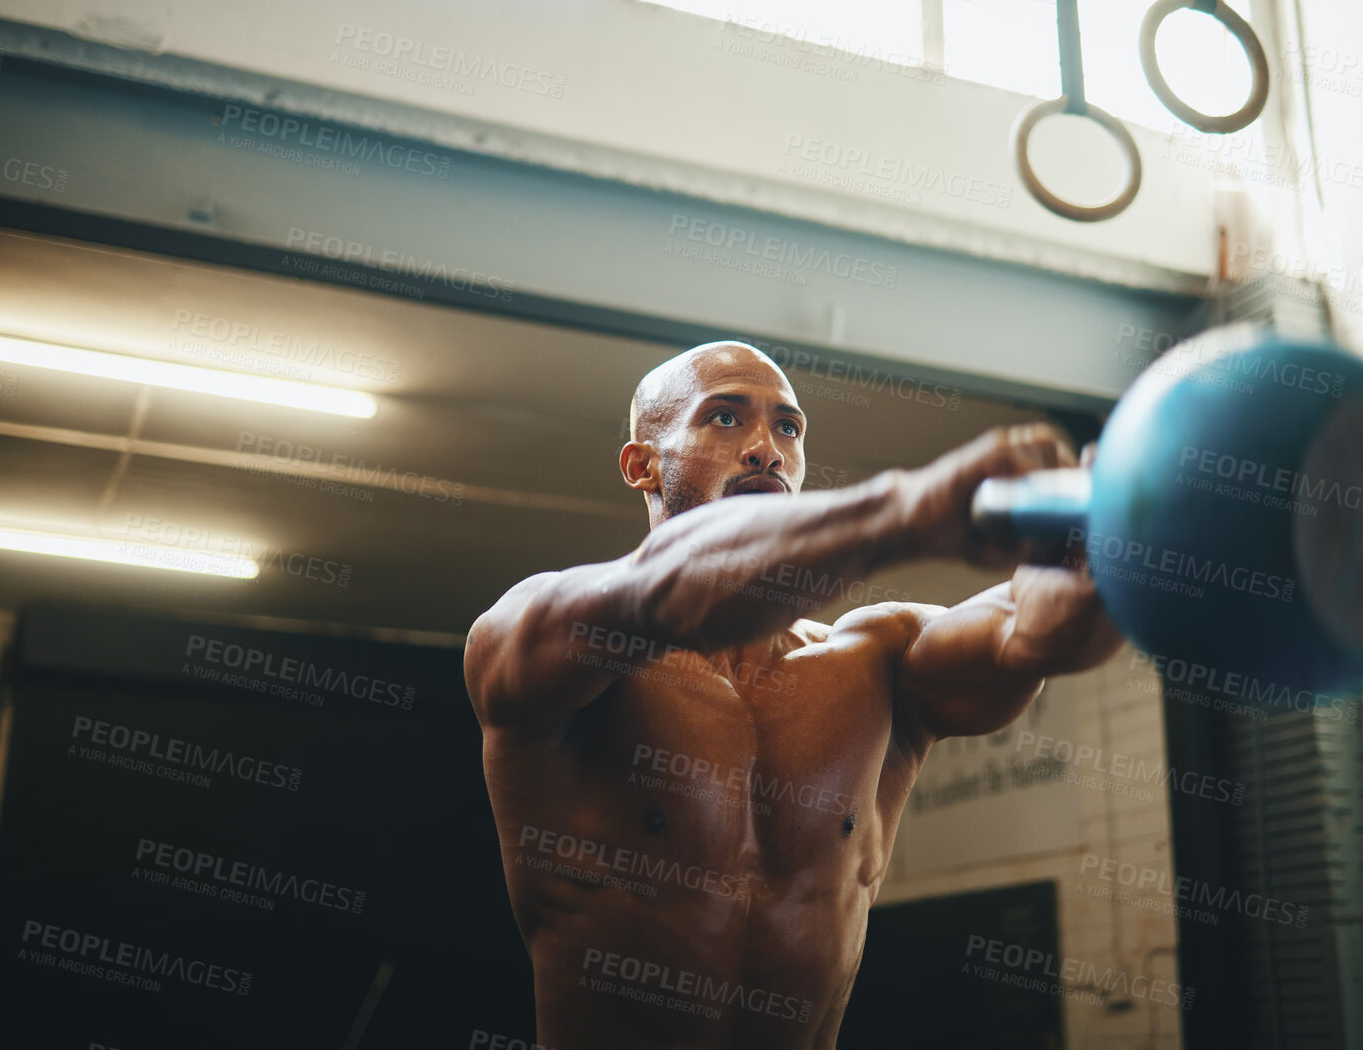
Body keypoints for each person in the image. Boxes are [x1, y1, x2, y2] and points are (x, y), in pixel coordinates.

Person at [465, 341, 1122, 1048]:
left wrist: (1115, 535)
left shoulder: (877, 657)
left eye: (787, 427)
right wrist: (910, 508)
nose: (764, 449)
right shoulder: (548, 630)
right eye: (722, 418)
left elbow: (1040, 633)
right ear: (642, 464)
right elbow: (674, 594)